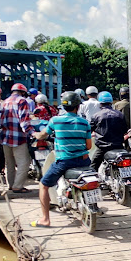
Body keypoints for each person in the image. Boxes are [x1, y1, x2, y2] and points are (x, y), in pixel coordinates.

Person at [31, 91, 92, 227]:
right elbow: (88, 146)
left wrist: (35, 135)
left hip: (64, 161)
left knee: (43, 185)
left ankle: (45, 219)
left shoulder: (55, 120)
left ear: (63, 107)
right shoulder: (84, 123)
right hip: (83, 160)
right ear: (78, 106)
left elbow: (43, 135)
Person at [0, 82, 34, 193]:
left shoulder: (5, 101)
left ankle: (11, 184)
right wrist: (32, 133)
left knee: (9, 163)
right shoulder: (21, 101)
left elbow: (2, 120)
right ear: (23, 92)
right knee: (24, 162)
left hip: (6, 136)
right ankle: (18, 186)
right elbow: (24, 121)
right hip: (18, 137)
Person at [89, 91, 128, 171]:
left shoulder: (96, 116)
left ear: (100, 103)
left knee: (93, 167)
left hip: (103, 147)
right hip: (118, 146)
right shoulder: (120, 115)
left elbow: (90, 130)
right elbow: (125, 129)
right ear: (111, 102)